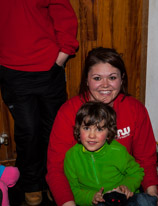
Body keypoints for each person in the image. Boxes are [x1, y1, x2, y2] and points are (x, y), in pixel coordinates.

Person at [47, 47, 158, 206]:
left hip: (124, 192)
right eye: (97, 78)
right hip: (85, 195)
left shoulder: (135, 109)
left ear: (122, 79)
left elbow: (145, 158)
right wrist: (67, 202)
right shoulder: (68, 112)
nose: (105, 85)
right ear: (86, 80)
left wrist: (151, 192)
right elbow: (56, 169)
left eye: (112, 77)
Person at [0, 0, 79, 205]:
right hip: (12, 70)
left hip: (48, 68)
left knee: (55, 130)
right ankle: (32, 184)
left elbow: (64, 14)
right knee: (28, 131)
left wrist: (61, 58)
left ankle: (54, 182)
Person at [64, 101, 158, 206]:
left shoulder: (118, 151)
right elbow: (72, 190)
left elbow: (137, 172)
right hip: (97, 202)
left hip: (124, 198)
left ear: (109, 132)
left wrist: (126, 187)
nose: (91, 135)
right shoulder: (71, 156)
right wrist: (91, 197)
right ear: (78, 129)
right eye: (86, 128)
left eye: (99, 129)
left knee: (145, 201)